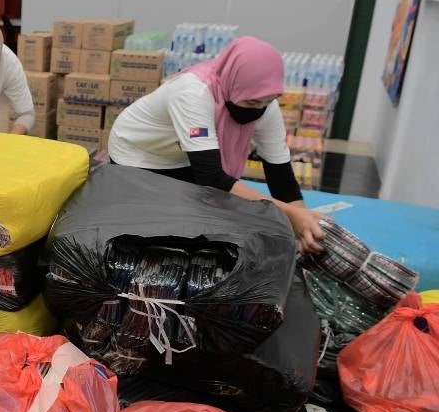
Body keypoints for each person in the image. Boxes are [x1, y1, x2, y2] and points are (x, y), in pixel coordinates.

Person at [107, 35, 325, 252]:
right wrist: (290, 214)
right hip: (139, 153)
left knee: (221, 210)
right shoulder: (193, 93)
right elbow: (211, 178)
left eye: (268, 100)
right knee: (167, 231)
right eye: (252, 102)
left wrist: (304, 224)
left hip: (183, 154)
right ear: (234, 83)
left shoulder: (264, 102)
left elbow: (281, 176)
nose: (260, 108)